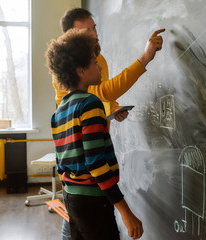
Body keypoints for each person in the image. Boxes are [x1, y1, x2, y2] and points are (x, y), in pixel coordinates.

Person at [46, 29, 144, 240]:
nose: (100, 67)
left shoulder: (59, 111)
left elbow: (61, 164)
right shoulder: (90, 104)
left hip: (72, 199)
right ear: (81, 71)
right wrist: (126, 212)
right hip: (93, 202)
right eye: (94, 62)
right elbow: (96, 165)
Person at [53, 8, 165, 122]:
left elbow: (97, 97)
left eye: (94, 28)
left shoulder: (99, 59)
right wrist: (145, 58)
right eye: (87, 31)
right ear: (71, 36)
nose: (94, 34)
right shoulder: (67, 66)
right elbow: (103, 92)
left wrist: (112, 109)